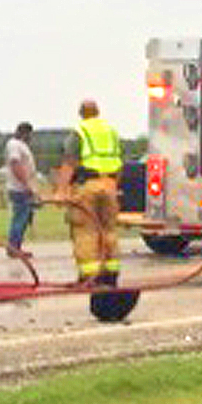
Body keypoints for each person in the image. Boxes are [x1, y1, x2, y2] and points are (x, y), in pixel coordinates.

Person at [55, 99, 123, 285]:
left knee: (85, 231)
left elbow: (69, 162)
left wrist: (61, 191)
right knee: (108, 229)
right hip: (109, 185)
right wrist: (114, 185)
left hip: (88, 187)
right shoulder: (111, 132)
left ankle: (89, 275)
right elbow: (118, 162)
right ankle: (110, 273)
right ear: (98, 112)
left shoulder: (80, 132)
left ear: (81, 113)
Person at [4, 122, 40, 257]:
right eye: (29, 134)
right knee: (19, 219)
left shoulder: (20, 146)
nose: (30, 138)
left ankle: (16, 247)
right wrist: (27, 185)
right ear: (24, 133)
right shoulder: (14, 145)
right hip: (19, 189)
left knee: (23, 219)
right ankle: (13, 248)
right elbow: (16, 164)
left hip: (24, 188)